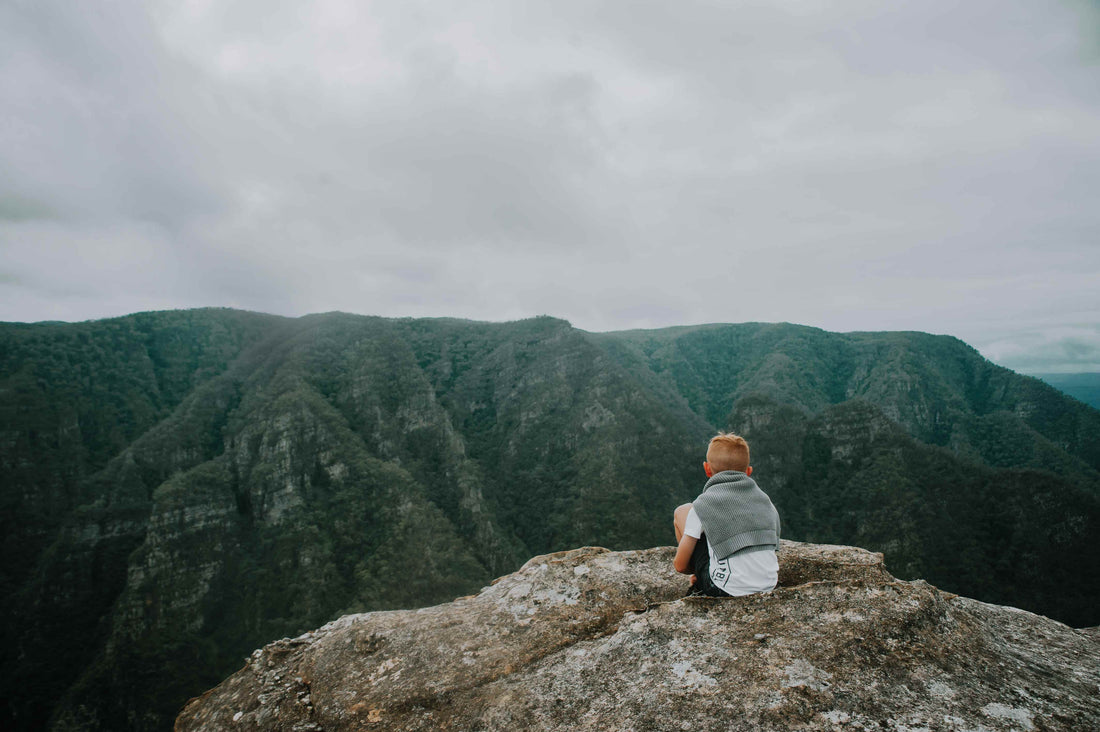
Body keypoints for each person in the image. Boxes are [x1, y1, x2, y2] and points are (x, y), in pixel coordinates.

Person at [673, 433, 780, 597]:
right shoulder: (767, 504)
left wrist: (696, 569)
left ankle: (700, 577)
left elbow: (679, 566)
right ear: (748, 471)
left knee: (682, 511)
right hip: (768, 584)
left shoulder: (703, 505)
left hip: (723, 589)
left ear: (707, 469)